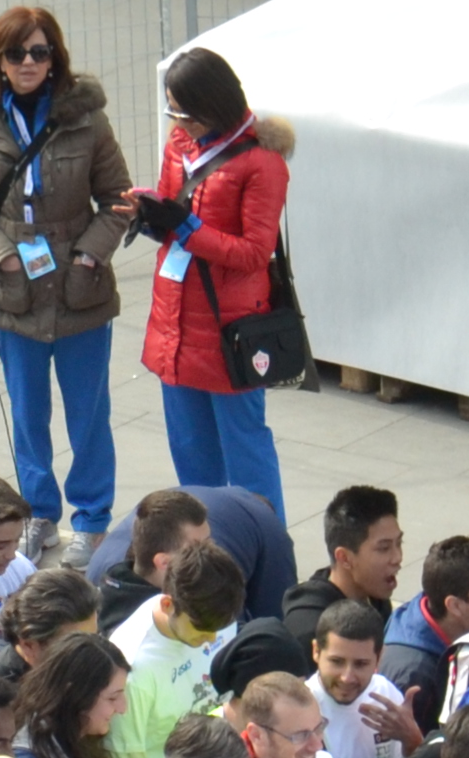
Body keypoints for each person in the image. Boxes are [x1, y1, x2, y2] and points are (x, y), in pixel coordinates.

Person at [125, 49, 289, 501]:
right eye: (172, 108)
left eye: (185, 109)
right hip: (174, 322)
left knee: (245, 451)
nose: (179, 120)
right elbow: (169, 208)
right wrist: (149, 214)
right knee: (191, 452)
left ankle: (265, 550)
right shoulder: (179, 146)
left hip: (228, 330)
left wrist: (188, 228)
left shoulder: (262, 163)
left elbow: (256, 252)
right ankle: (203, 549)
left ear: (215, 101)